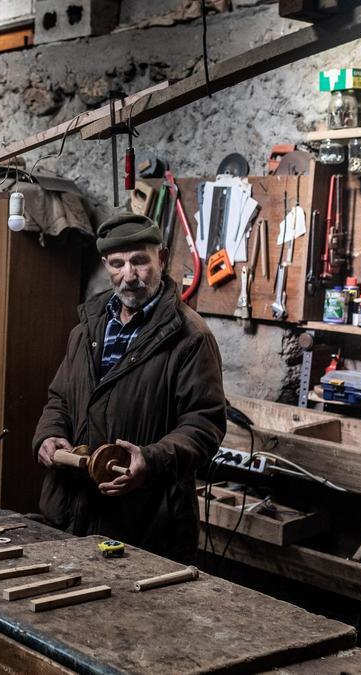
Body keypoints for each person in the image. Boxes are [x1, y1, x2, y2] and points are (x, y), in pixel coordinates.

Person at [32, 213, 226, 562]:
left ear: (162, 259)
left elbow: (204, 425)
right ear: (105, 264)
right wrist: (48, 435)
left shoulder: (190, 338)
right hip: (72, 513)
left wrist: (150, 461)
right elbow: (60, 397)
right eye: (118, 264)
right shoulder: (87, 329)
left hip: (146, 524)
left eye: (140, 261)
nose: (129, 276)